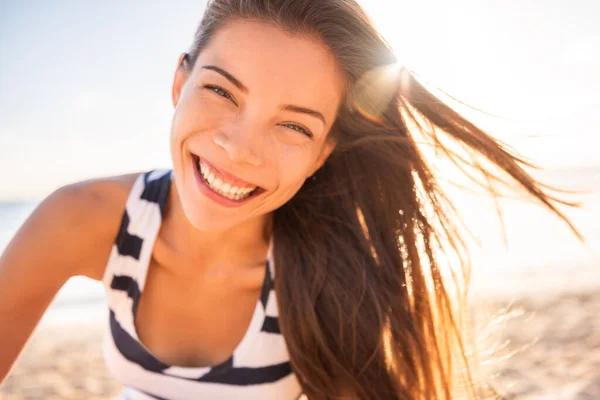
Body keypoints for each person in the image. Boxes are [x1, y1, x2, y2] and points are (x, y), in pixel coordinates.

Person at [0, 0, 578, 399]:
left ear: (324, 152)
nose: (239, 148)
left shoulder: (334, 274)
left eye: (294, 127)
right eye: (221, 91)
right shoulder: (81, 219)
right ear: (180, 84)